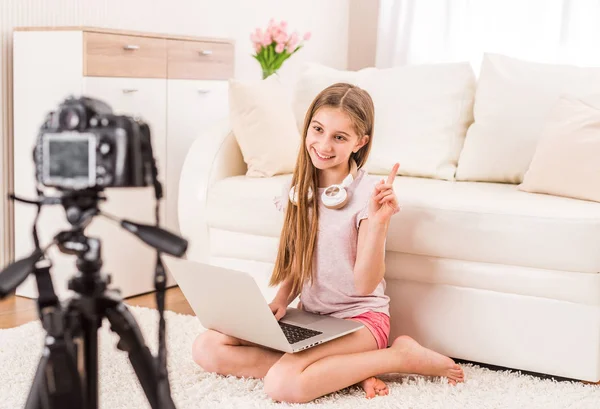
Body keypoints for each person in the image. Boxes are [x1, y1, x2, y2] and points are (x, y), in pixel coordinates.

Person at [192, 83, 464, 403]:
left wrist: (378, 223)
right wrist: (282, 297)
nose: (323, 144)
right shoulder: (297, 190)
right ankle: (348, 372)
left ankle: (399, 356)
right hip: (312, 320)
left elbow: (365, 285)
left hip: (359, 324)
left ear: (360, 143)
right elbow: (302, 257)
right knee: (207, 347)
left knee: (283, 385)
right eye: (318, 130)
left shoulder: (368, 196)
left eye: (339, 137)